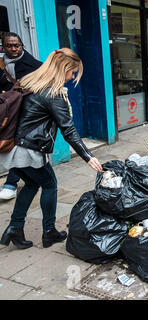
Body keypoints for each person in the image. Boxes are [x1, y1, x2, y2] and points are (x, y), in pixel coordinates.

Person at [0, 48, 103, 250]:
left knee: (30, 184)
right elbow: (69, 129)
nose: (72, 76)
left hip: (13, 147)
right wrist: (88, 156)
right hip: (27, 150)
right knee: (49, 184)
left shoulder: (29, 81)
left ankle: (15, 228)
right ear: (64, 68)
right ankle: (49, 232)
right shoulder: (53, 93)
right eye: (72, 72)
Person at [0, 32, 43, 200]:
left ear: (22, 45)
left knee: (16, 143)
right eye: (9, 46)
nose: (14, 49)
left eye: (16, 45)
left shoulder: (33, 64)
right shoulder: (2, 63)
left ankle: (11, 183)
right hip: (6, 110)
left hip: (25, 112)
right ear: (3, 47)